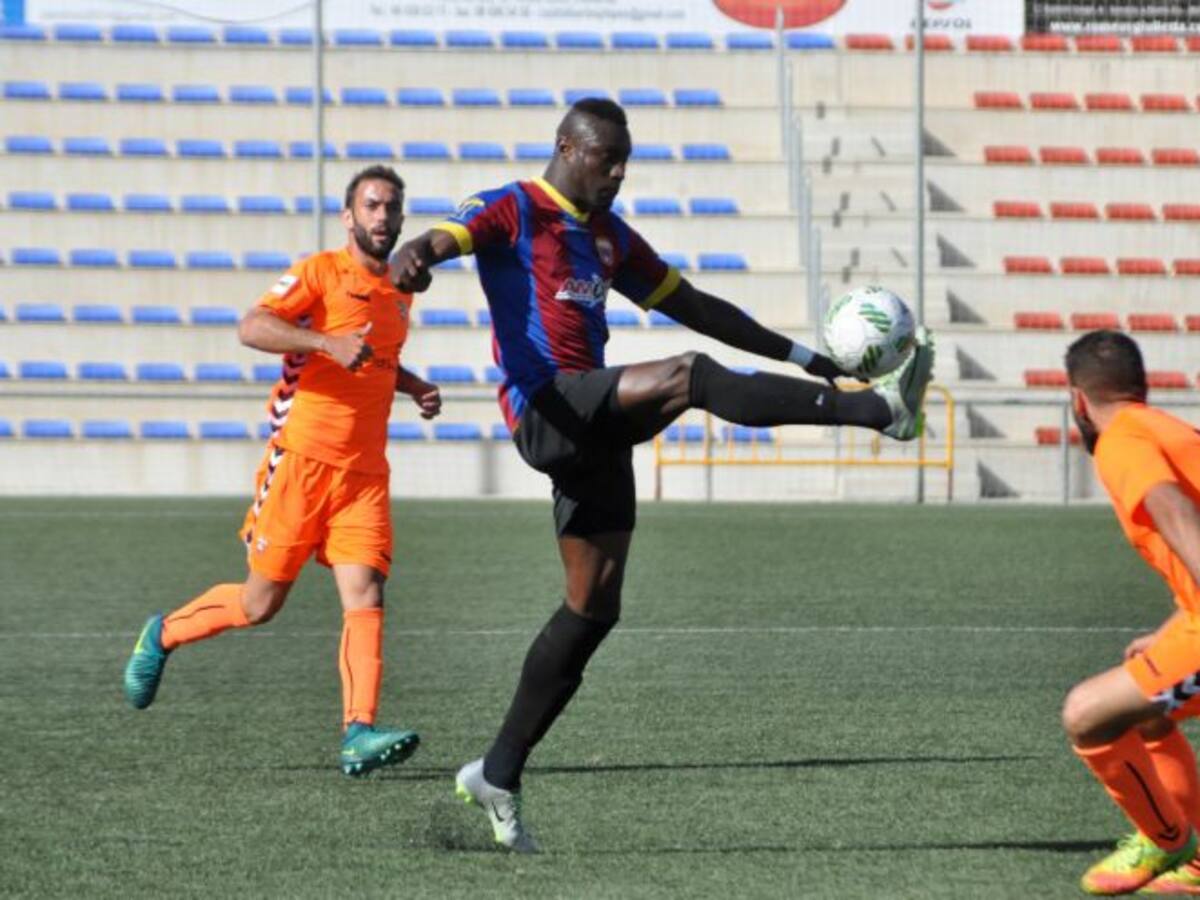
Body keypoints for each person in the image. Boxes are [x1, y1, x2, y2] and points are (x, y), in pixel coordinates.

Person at [392, 97, 935, 851]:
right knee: (690, 377)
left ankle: (499, 771)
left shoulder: (609, 238)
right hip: (549, 412)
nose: (616, 173)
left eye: (624, 161)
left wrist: (812, 358)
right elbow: (449, 235)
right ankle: (879, 414)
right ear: (566, 147)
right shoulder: (516, 208)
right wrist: (415, 253)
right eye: (604, 158)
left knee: (592, 609)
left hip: (596, 431)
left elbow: (701, 307)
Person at [122, 165, 442, 777]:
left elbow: (374, 360)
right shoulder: (319, 272)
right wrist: (324, 343)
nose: (383, 217)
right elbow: (252, 326)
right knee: (259, 602)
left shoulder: (400, 292)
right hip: (302, 465)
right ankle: (162, 634)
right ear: (349, 217)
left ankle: (358, 732)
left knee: (366, 594)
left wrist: (413, 384)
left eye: (391, 208)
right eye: (371, 206)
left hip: (364, 477)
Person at [1061, 330, 1200, 894]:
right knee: (1146, 710)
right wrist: (1170, 633)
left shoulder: (1122, 441)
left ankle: (1168, 839)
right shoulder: (1169, 429)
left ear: (1078, 402)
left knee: (1087, 714)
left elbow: (1173, 510)